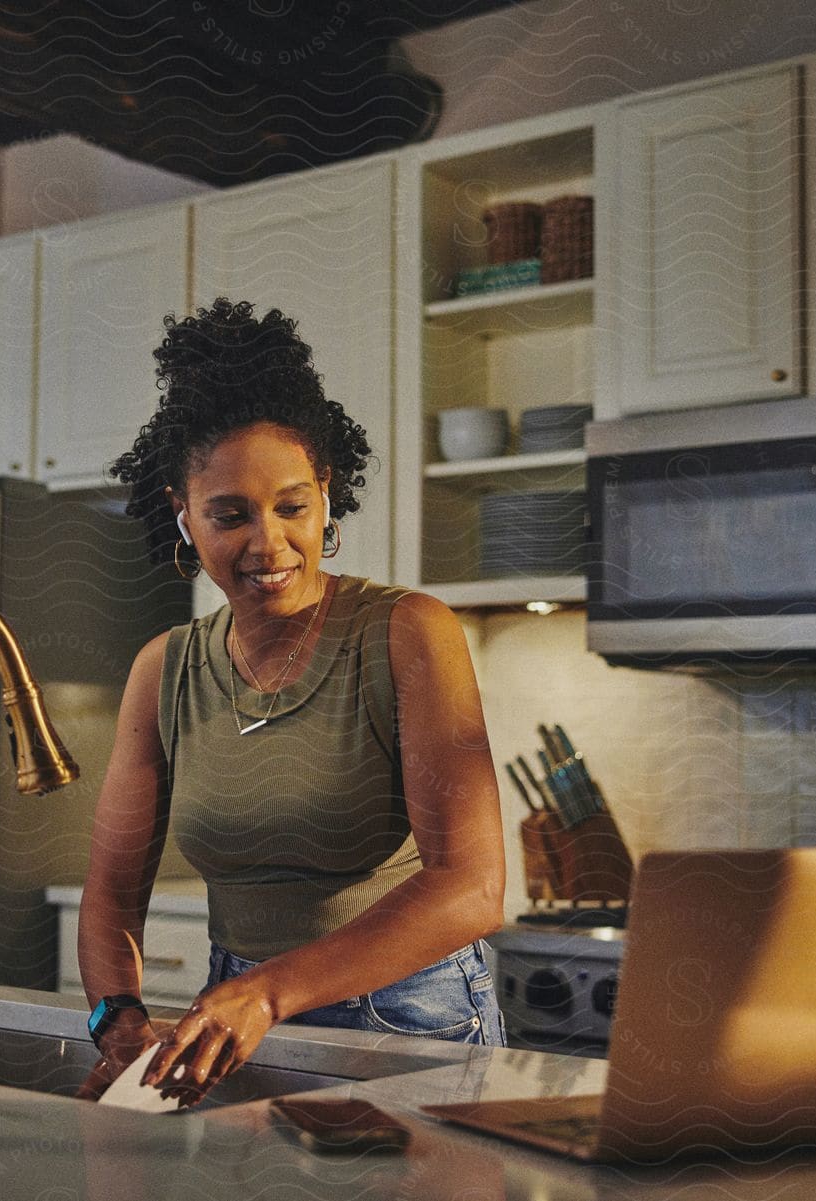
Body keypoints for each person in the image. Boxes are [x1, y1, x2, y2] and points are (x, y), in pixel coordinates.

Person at [76, 298, 506, 1104]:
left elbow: (473, 886)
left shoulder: (409, 633)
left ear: (327, 495)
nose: (268, 543)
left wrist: (271, 990)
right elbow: (110, 893)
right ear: (183, 514)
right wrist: (119, 1014)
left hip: (408, 1018)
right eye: (229, 514)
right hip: (233, 1015)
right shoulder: (163, 669)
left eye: (292, 506)